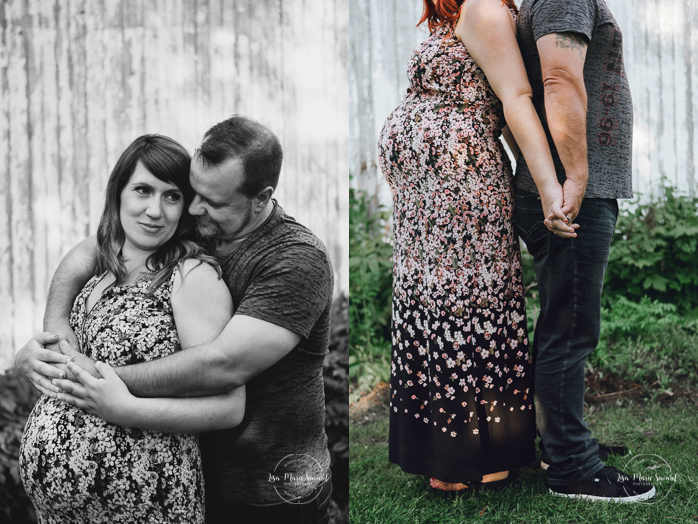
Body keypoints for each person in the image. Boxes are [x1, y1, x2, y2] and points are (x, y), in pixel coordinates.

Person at [16, 115, 334, 523]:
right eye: (193, 193)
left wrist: (85, 380)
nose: (195, 208)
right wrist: (54, 330)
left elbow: (222, 365)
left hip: (270, 487)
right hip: (205, 473)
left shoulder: (295, 259)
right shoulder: (201, 225)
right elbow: (92, 249)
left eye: (212, 201)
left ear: (261, 197)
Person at [377, 0, 576, 492]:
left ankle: (477, 454)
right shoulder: (470, 10)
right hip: (428, 194)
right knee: (436, 301)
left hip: (458, 184)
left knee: (464, 301)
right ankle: (448, 451)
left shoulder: (487, 8)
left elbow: (515, 100)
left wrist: (550, 186)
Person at [18, 134, 246, 524]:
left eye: (171, 196)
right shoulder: (102, 266)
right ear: (119, 192)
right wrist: (30, 356)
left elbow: (229, 408)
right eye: (143, 190)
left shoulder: (190, 276)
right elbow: (69, 356)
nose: (154, 211)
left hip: (146, 505)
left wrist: (129, 410)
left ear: (186, 207)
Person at [513, 0, 655, 502]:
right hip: (572, 194)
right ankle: (571, 465)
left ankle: (561, 442)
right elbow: (558, 79)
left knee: (562, 325)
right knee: (570, 331)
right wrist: (574, 177)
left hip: (568, 189)